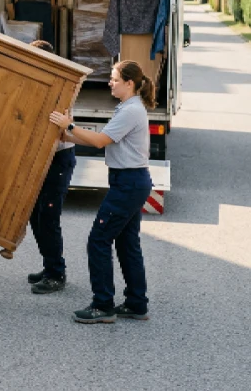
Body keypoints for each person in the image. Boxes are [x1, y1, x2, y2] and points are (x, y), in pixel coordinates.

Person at [49, 60, 155, 324]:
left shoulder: (130, 110)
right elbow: (106, 139)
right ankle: (136, 303)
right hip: (131, 180)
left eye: (114, 79)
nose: (110, 83)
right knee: (127, 243)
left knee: (98, 240)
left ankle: (103, 305)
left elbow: (100, 141)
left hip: (128, 183)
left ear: (129, 84)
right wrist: (67, 136)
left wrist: (69, 125)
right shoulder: (127, 108)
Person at [26, 40, 77, 295]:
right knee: (36, 216)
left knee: (47, 216)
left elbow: (56, 129)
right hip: (42, 160)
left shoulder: (60, 89)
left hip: (58, 160)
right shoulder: (39, 85)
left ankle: (56, 273)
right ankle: (50, 266)